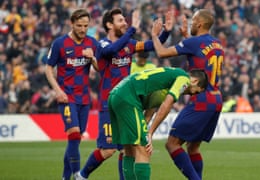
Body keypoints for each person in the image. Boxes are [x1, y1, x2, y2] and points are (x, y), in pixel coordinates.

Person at [77, 8, 173, 180]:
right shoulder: (103, 45)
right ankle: (82, 175)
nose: (125, 23)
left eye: (125, 20)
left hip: (127, 104)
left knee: (127, 148)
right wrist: (132, 30)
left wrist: (166, 32)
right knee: (108, 149)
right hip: (109, 104)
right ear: (109, 24)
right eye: (121, 20)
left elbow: (152, 46)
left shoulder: (129, 44)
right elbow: (111, 51)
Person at [150, 9, 224, 180]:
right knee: (193, 147)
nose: (190, 23)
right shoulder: (217, 44)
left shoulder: (194, 43)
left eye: (193, 20)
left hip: (201, 99)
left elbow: (161, 53)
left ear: (200, 24)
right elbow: (200, 54)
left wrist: (155, 35)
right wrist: (187, 38)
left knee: (172, 144)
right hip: (216, 98)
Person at [108, 67, 208, 180]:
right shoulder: (184, 78)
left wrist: (144, 130)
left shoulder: (166, 79)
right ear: (195, 81)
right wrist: (149, 133)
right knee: (144, 149)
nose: (191, 94)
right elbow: (167, 104)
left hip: (116, 94)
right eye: (195, 91)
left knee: (129, 149)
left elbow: (150, 110)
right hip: (128, 97)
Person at [45, 9, 99, 180]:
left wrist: (93, 59)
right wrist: (57, 90)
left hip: (84, 98)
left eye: (85, 26)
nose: (83, 29)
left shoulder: (92, 43)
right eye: (79, 26)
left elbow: (100, 69)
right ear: (71, 23)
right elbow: (48, 68)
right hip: (67, 97)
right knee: (74, 134)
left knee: (75, 140)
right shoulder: (60, 43)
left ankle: (65, 177)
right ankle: (78, 174)